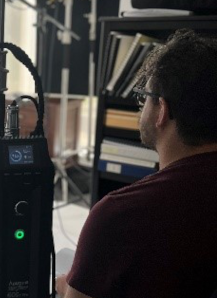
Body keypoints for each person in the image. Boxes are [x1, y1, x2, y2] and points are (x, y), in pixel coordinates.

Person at [56, 29, 217, 298]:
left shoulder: (119, 215)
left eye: (144, 98)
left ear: (161, 111)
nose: (140, 107)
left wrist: (64, 288)